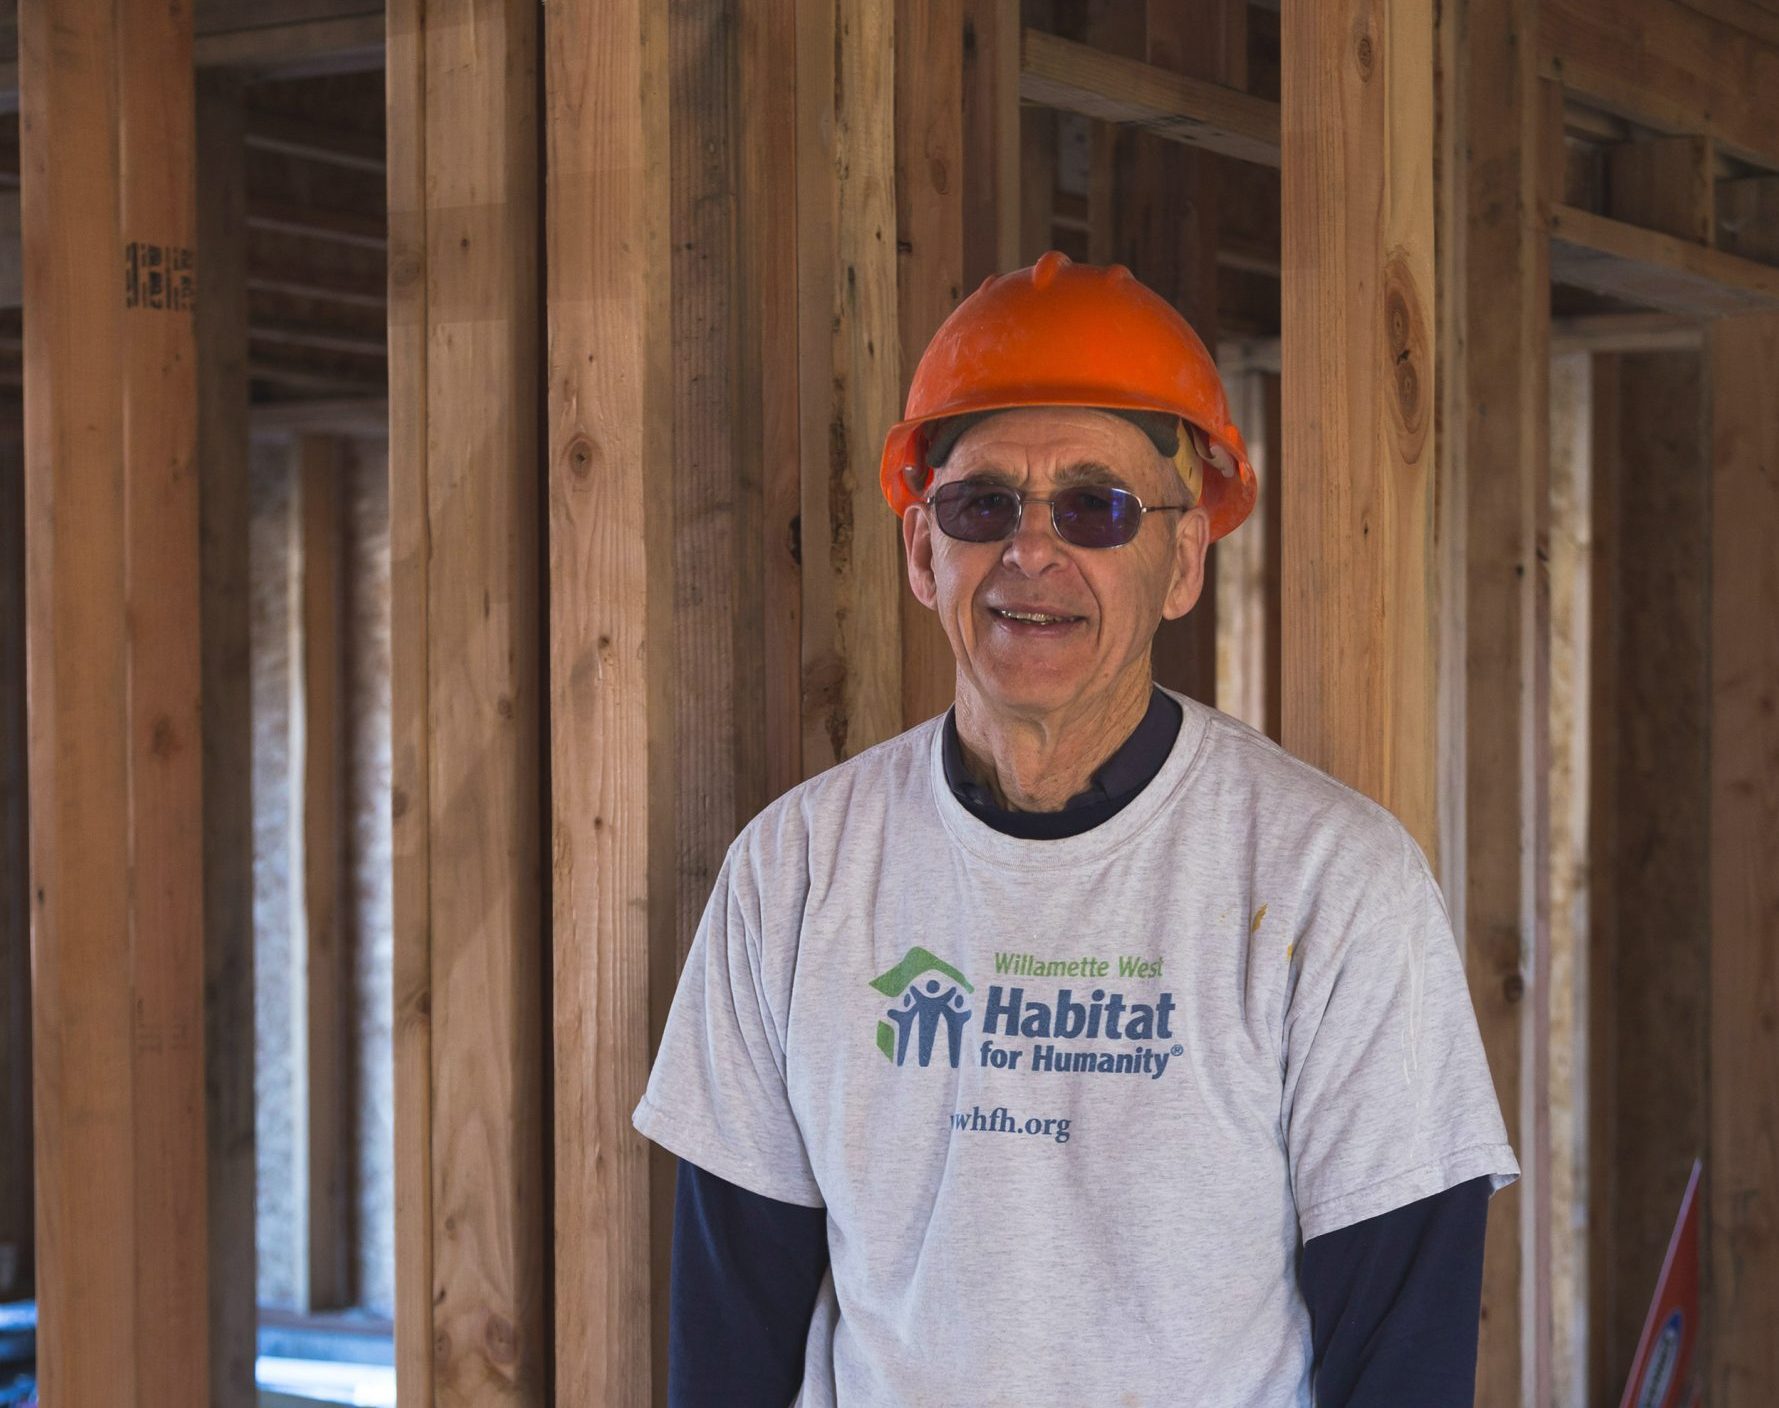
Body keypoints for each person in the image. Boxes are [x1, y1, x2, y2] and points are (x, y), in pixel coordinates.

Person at [634, 251, 1519, 1406]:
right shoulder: (794, 874)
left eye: (1096, 506)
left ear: (1183, 560)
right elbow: (729, 1341)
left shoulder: (1330, 884)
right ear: (922, 550)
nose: (1031, 550)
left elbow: (1403, 1354)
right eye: (981, 503)